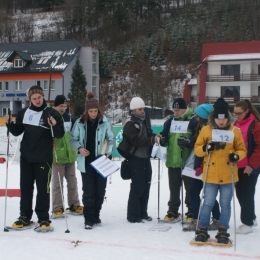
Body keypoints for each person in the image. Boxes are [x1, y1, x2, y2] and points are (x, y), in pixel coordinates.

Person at [6, 86, 64, 230]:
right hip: (26, 157)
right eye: (34, 98)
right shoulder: (24, 113)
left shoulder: (51, 113)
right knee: (26, 188)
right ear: (30, 99)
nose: (37, 100)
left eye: (39, 97)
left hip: (43, 158)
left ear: (43, 97)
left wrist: (55, 125)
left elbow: (60, 134)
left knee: (43, 189)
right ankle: (25, 216)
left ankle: (43, 218)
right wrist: (10, 124)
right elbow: (17, 131)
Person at [194, 98, 246, 244]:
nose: (221, 122)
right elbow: (197, 150)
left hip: (228, 175)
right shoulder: (206, 130)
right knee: (208, 203)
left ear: (228, 118)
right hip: (211, 174)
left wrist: (236, 155)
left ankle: (223, 230)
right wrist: (206, 148)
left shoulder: (235, 131)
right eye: (218, 118)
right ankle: (202, 228)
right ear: (213, 117)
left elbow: (242, 149)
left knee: (226, 204)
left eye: (224, 119)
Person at [70, 92, 115, 230]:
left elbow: (112, 139)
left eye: (95, 111)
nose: (93, 114)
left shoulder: (105, 122)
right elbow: (73, 139)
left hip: (101, 161)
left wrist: (108, 152)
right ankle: (88, 218)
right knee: (89, 191)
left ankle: (96, 215)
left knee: (100, 190)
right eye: (91, 111)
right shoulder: (79, 123)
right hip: (86, 162)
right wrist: (79, 149)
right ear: (86, 111)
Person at [121, 97, 160, 223]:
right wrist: (151, 140)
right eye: (139, 109)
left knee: (146, 185)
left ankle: (143, 212)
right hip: (135, 157)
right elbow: (135, 141)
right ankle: (133, 215)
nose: (142, 111)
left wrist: (155, 137)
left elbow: (148, 134)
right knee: (137, 187)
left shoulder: (145, 119)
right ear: (133, 109)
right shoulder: (129, 124)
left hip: (145, 157)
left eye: (143, 108)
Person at [183, 104, 220, 231]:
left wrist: (201, 166)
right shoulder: (201, 127)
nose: (196, 118)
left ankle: (216, 219)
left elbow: (208, 150)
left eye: (198, 116)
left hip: (208, 166)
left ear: (204, 116)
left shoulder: (211, 130)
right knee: (194, 192)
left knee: (208, 194)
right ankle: (196, 219)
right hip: (199, 166)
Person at [160, 98, 198, 222]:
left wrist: (189, 141)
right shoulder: (170, 121)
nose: (175, 113)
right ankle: (173, 210)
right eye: (174, 110)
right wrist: (163, 139)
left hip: (188, 161)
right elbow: (164, 133)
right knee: (174, 187)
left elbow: (198, 136)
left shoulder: (192, 120)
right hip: (173, 159)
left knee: (190, 187)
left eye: (178, 110)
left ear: (184, 108)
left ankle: (191, 210)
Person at [51, 95, 83, 218]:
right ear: (55, 106)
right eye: (60, 106)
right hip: (57, 156)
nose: (63, 108)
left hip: (70, 155)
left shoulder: (69, 117)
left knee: (72, 181)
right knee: (57, 183)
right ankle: (57, 207)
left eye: (65, 106)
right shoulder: (52, 117)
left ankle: (74, 204)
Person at [233, 100, 260, 234]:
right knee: (239, 193)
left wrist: (252, 165)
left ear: (247, 111)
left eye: (239, 113)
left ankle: (247, 222)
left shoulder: (255, 125)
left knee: (247, 193)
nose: (237, 116)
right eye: (235, 113)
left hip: (250, 167)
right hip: (237, 165)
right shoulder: (235, 124)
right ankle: (251, 217)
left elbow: (259, 147)